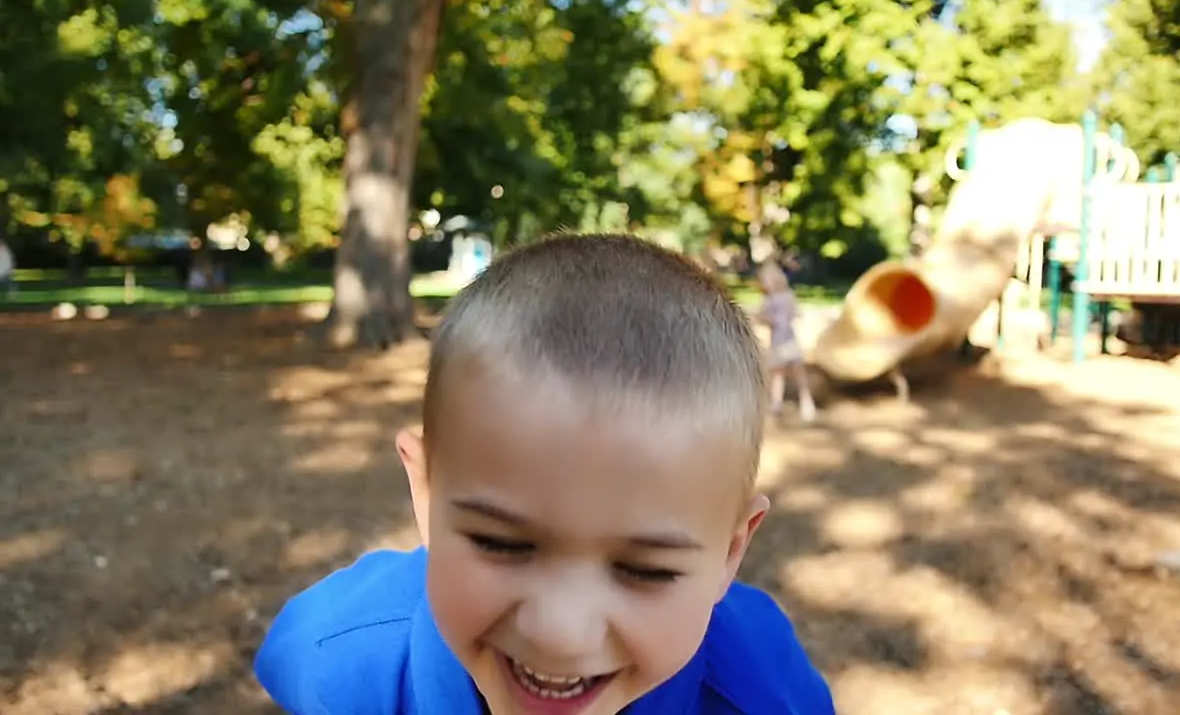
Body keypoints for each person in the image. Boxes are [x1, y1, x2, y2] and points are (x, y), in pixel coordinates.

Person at [253, 233, 835, 714]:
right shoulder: (349, 665)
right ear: (427, 494)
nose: (561, 632)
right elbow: (289, 653)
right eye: (501, 543)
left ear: (731, 553)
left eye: (645, 570)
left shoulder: (761, 691)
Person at [755, 260, 817, 423]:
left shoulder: (786, 296)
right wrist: (764, 319)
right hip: (777, 341)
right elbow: (763, 318)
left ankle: (806, 401)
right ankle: (776, 403)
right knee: (778, 373)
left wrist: (784, 318)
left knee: (798, 371)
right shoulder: (767, 300)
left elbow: (795, 313)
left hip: (788, 339)